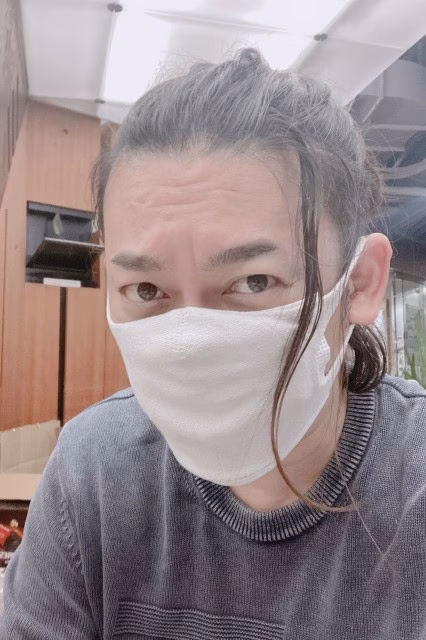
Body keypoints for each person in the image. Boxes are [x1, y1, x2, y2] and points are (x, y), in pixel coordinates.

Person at [1, 48, 425, 640]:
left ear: (360, 282)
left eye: (253, 281)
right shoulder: (94, 472)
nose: (190, 342)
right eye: (146, 288)